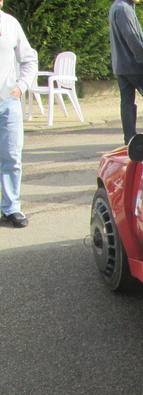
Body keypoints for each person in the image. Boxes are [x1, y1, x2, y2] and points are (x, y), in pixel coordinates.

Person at [0, 0, 37, 229]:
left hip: (8, 103)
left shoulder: (10, 24)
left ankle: (11, 207)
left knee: (12, 157)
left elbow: (29, 60)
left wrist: (19, 88)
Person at [109, 0, 143, 146]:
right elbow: (133, 38)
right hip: (133, 65)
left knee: (127, 103)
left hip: (121, 65)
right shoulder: (124, 9)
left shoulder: (117, 6)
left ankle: (129, 139)